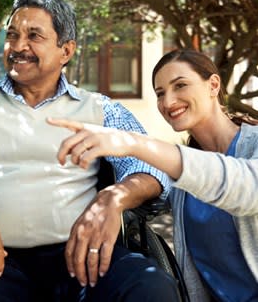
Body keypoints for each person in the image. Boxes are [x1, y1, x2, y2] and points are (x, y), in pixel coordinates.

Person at [0, 0, 180, 301]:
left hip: (84, 260)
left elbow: (150, 167)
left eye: (34, 36)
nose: (18, 46)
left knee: (150, 287)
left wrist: (115, 198)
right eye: (12, 35)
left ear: (66, 51)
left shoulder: (101, 109)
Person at [48, 48, 258, 302]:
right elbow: (152, 182)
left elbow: (243, 186)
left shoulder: (251, 147)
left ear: (213, 85)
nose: (168, 102)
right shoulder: (181, 178)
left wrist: (133, 143)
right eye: (160, 93)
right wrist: (114, 199)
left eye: (180, 85)